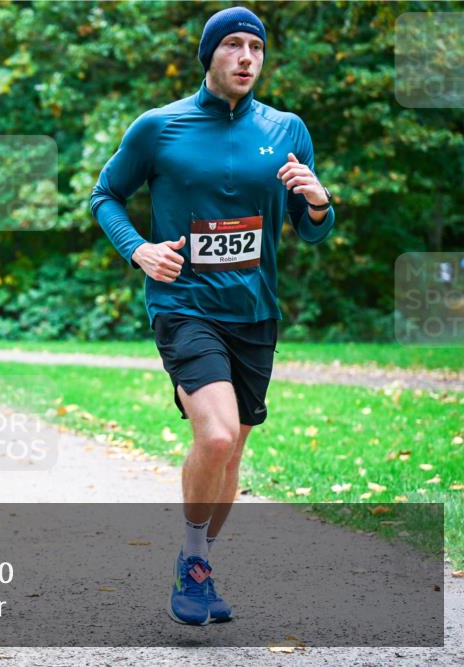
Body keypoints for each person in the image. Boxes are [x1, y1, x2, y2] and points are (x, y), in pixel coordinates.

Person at [90, 6, 335, 626]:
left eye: (256, 46)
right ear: (210, 56)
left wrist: (317, 201)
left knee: (233, 452)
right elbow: (105, 195)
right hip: (183, 305)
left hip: (254, 311)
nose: (247, 56)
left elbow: (312, 232)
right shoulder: (160, 127)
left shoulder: (287, 130)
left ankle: (196, 561)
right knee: (217, 434)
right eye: (233, 45)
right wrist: (139, 249)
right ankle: (196, 564)